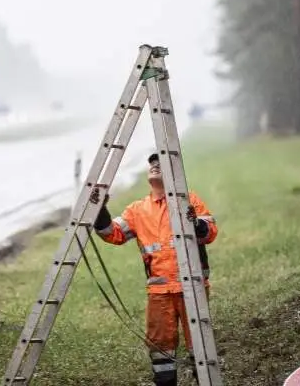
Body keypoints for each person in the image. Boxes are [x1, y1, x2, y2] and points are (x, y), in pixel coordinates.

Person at [93, 153, 218, 386]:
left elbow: (209, 232)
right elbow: (112, 234)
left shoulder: (189, 200)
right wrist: (99, 209)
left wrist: (195, 222)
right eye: (152, 164)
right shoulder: (138, 209)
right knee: (161, 350)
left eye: (161, 163)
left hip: (192, 286)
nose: (155, 166)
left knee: (200, 347)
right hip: (159, 292)